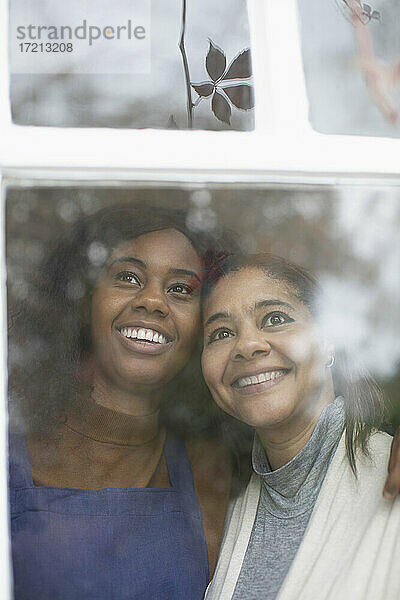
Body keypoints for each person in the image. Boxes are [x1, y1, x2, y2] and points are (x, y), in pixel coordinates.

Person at [8, 203, 234, 600]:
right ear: (84, 302)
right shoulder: (9, 454)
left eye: (180, 289)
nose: (153, 301)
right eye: (128, 277)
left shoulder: (212, 467)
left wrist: (378, 438)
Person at [201, 253, 400, 600]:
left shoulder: (392, 477)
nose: (246, 346)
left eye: (275, 318)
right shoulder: (221, 509)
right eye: (221, 333)